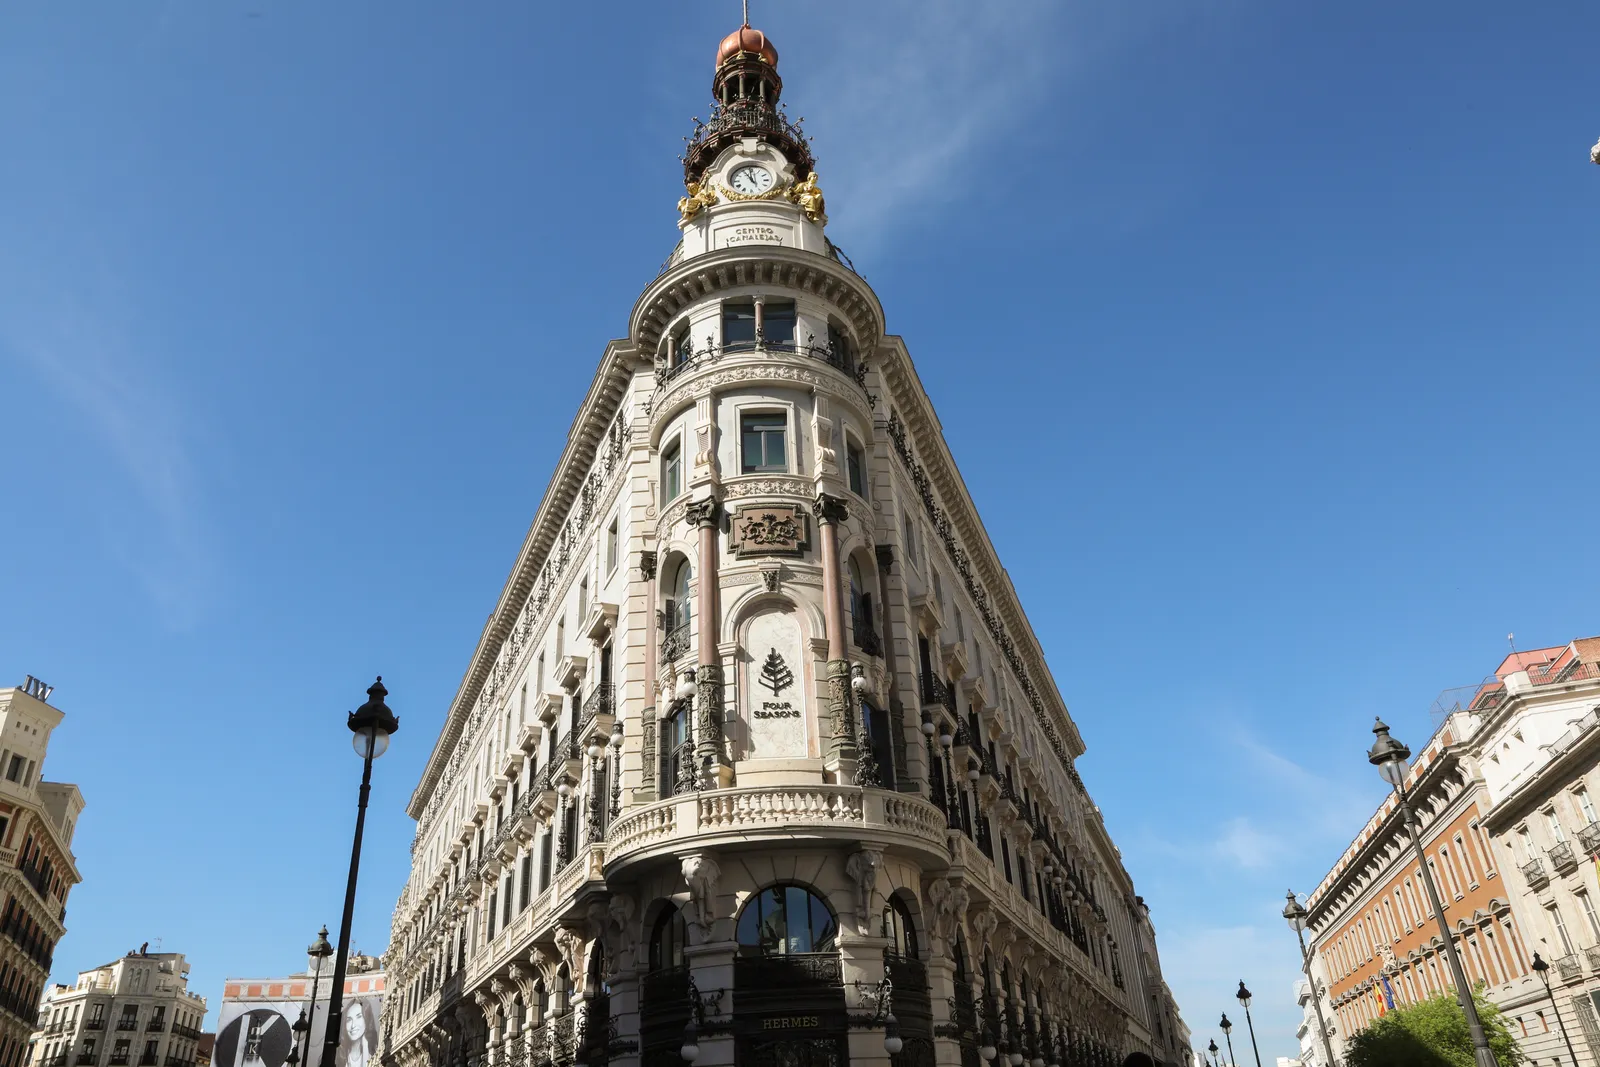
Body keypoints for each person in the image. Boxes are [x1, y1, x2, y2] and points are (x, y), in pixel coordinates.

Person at [334, 1001, 377, 1067]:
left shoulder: (374, 1051)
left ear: (367, 1019)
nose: (353, 1025)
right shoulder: (338, 1054)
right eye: (349, 1020)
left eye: (359, 1017)